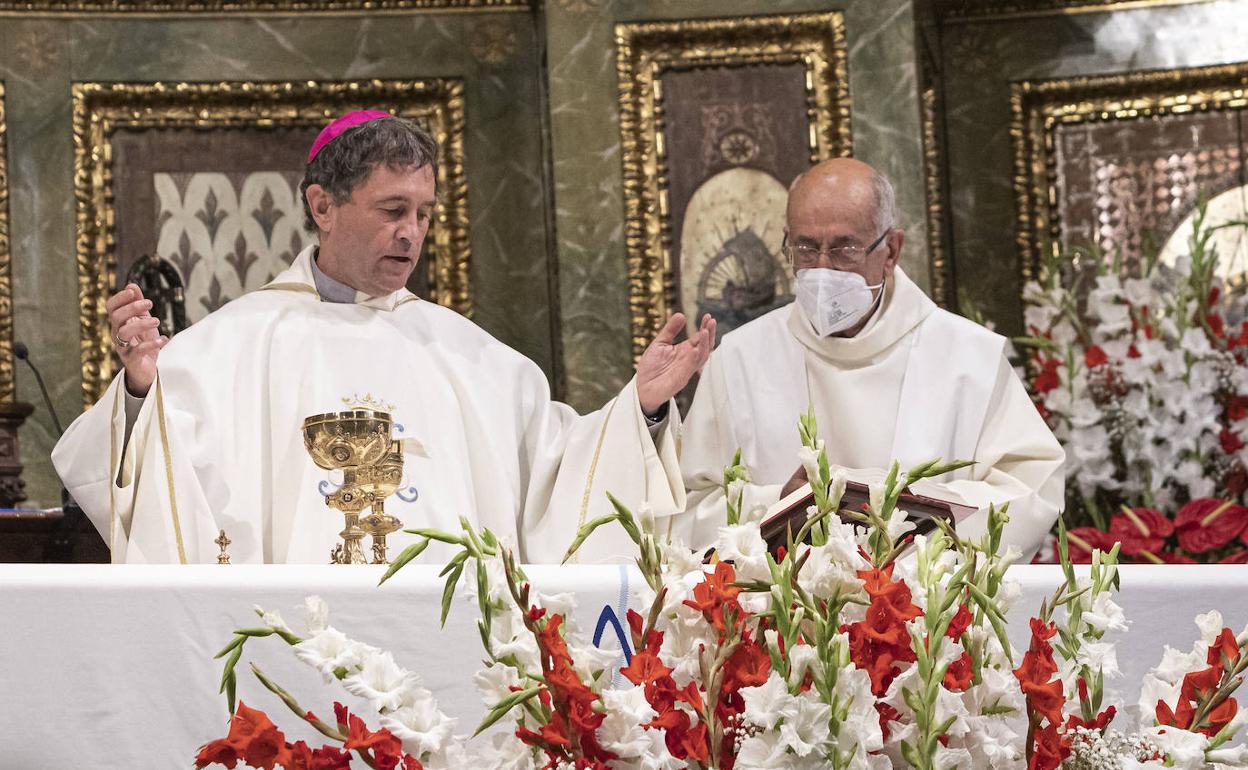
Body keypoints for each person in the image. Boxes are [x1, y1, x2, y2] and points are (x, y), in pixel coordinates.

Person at [52, 111, 716, 565]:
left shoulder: (475, 361)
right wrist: (141, 390)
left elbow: (562, 482)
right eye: (393, 210)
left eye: (424, 213)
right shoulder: (228, 348)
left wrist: (642, 408)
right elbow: (137, 478)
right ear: (322, 206)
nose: (411, 233)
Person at [675, 158, 1063, 558]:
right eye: (805, 248)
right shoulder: (739, 359)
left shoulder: (968, 357)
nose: (822, 269)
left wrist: (916, 514)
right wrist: (778, 504)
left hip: (924, 593)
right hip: (785, 594)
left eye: (844, 249)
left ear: (891, 250)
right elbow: (691, 507)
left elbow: (1030, 488)